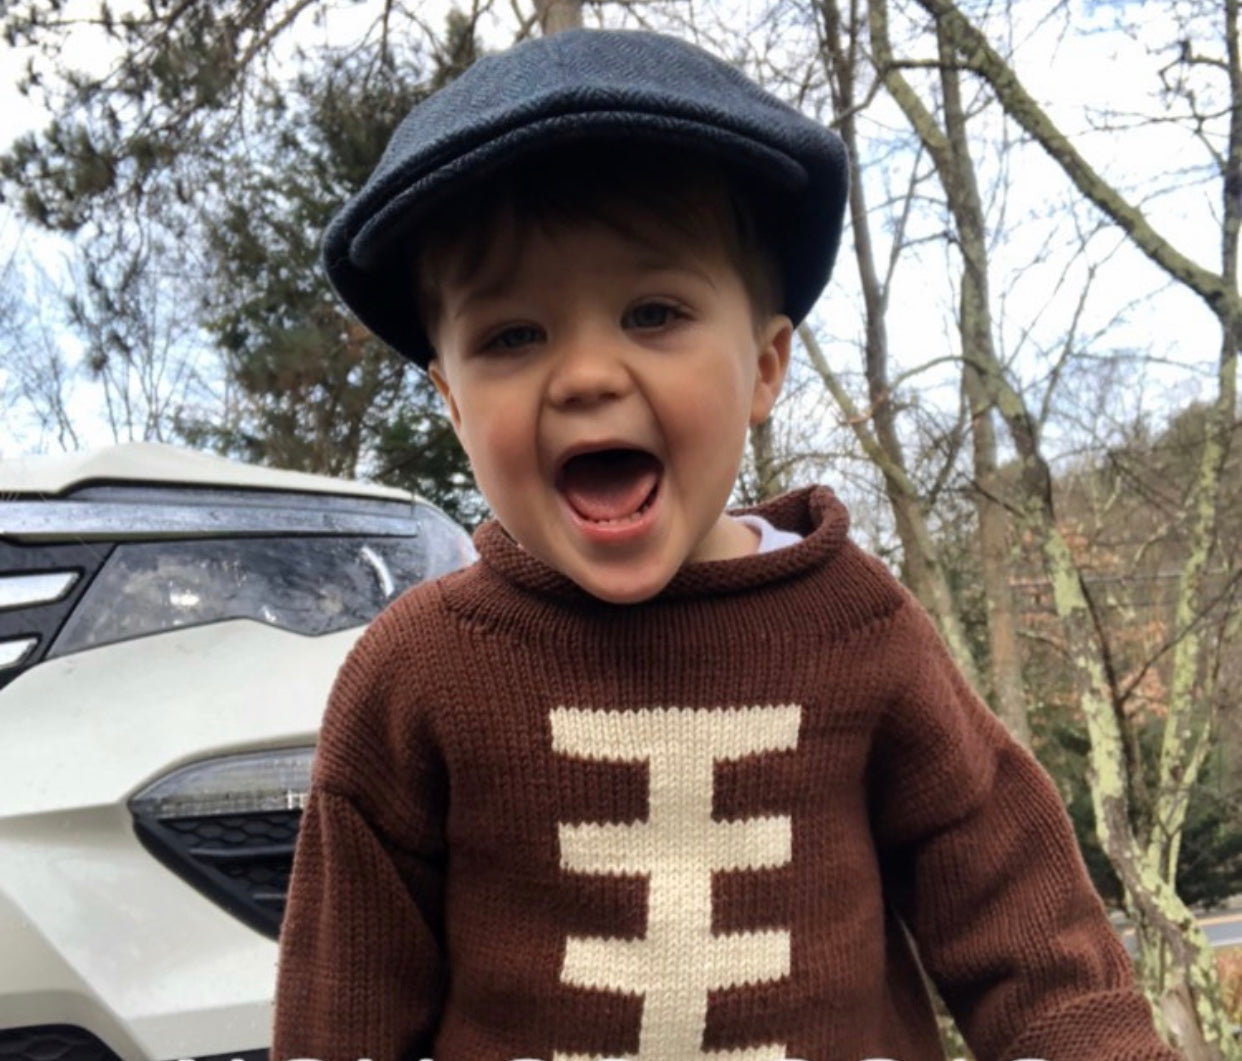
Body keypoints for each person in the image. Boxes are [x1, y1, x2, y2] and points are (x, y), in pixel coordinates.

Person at [272, 28, 1181, 1061]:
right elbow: (342, 1006)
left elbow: (1027, 931)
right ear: (450, 402)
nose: (583, 376)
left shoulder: (860, 628)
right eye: (511, 336)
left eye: (651, 312)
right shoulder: (416, 674)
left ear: (763, 365)